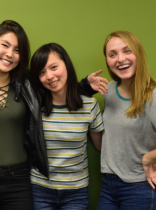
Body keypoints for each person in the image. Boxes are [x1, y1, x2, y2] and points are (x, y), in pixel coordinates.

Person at [0, 20, 105, 210]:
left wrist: (84, 86)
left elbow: (55, 87)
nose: (10, 54)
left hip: (19, 178)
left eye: (17, 50)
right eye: (5, 45)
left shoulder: (27, 84)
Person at [97, 30, 156, 210]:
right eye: (112, 54)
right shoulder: (108, 91)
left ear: (138, 54)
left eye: (127, 51)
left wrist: (148, 158)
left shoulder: (154, 95)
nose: (120, 59)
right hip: (109, 187)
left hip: (141, 189)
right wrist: (85, 85)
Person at [28, 43, 104, 210]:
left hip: (76, 192)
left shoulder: (89, 105)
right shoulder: (34, 107)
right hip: (40, 189)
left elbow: (101, 146)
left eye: (54, 67)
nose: (49, 76)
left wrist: (145, 158)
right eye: (42, 72)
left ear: (66, 65)